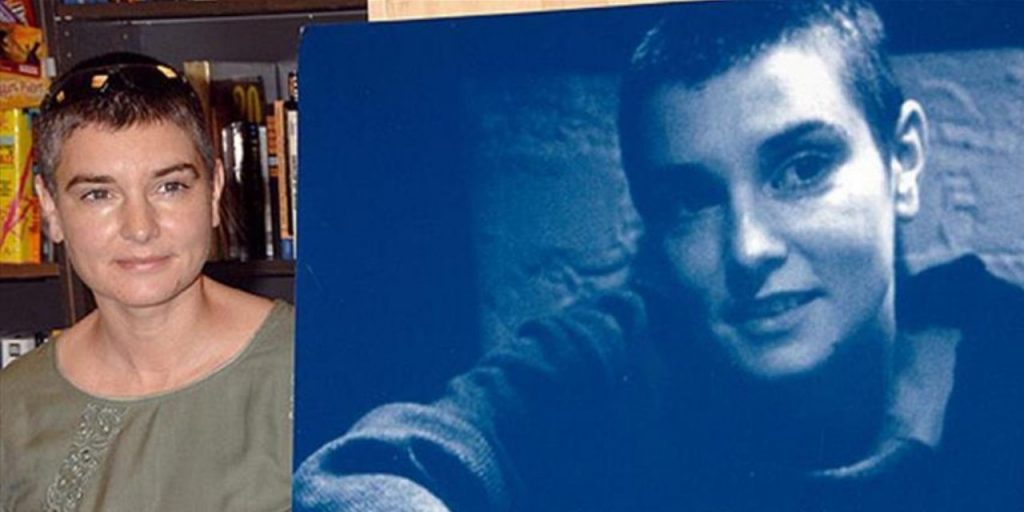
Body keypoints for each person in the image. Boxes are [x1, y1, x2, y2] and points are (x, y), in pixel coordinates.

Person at [293, 1, 1024, 511]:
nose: (749, 247)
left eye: (801, 169)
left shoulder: (1001, 363)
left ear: (902, 160)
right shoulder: (608, 361)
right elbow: (371, 469)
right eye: (690, 200)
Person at [0, 53, 294, 511]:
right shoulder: (14, 409)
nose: (140, 228)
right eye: (98, 194)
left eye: (169, 186)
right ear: (51, 208)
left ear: (214, 190)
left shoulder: (312, 367)